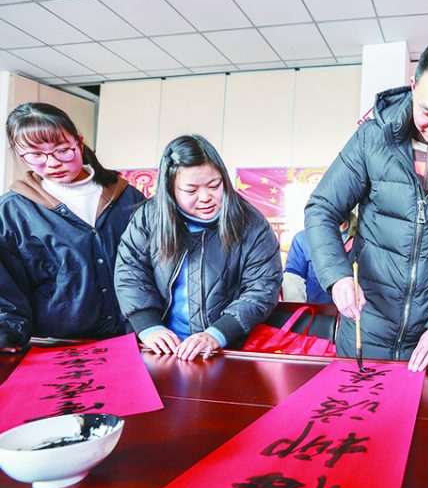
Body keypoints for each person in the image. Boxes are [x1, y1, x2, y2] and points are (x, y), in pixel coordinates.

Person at [304, 38, 428, 371]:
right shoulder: (373, 137)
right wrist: (337, 275)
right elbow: (322, 208)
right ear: (413, 87)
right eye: (427, 111)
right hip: (365, 326)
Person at [114, 135, 282, 361]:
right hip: (159, 349)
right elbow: (130, 272)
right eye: (191, 191)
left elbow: (262, 287)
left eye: (214, 186)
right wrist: (148, 326)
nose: (205, 198)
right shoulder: (149, 217)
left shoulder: (250, 223)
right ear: (170, 190)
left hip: (225, 350)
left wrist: (218, 333)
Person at [0, 102, 145, 350]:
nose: (53, 163)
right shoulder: (12, 211)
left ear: (80, 142)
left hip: (133, 338)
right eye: (36, 155)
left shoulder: (127, 197)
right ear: (19, 153)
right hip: (57, 344)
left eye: (62, 150)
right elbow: (6, 289)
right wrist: (8, 336)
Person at [282, 212, 357, 304]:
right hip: (317, 311)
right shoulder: (303, 239)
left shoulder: (363, 239)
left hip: (357, 311)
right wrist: (300, 311)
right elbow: (293, 280)